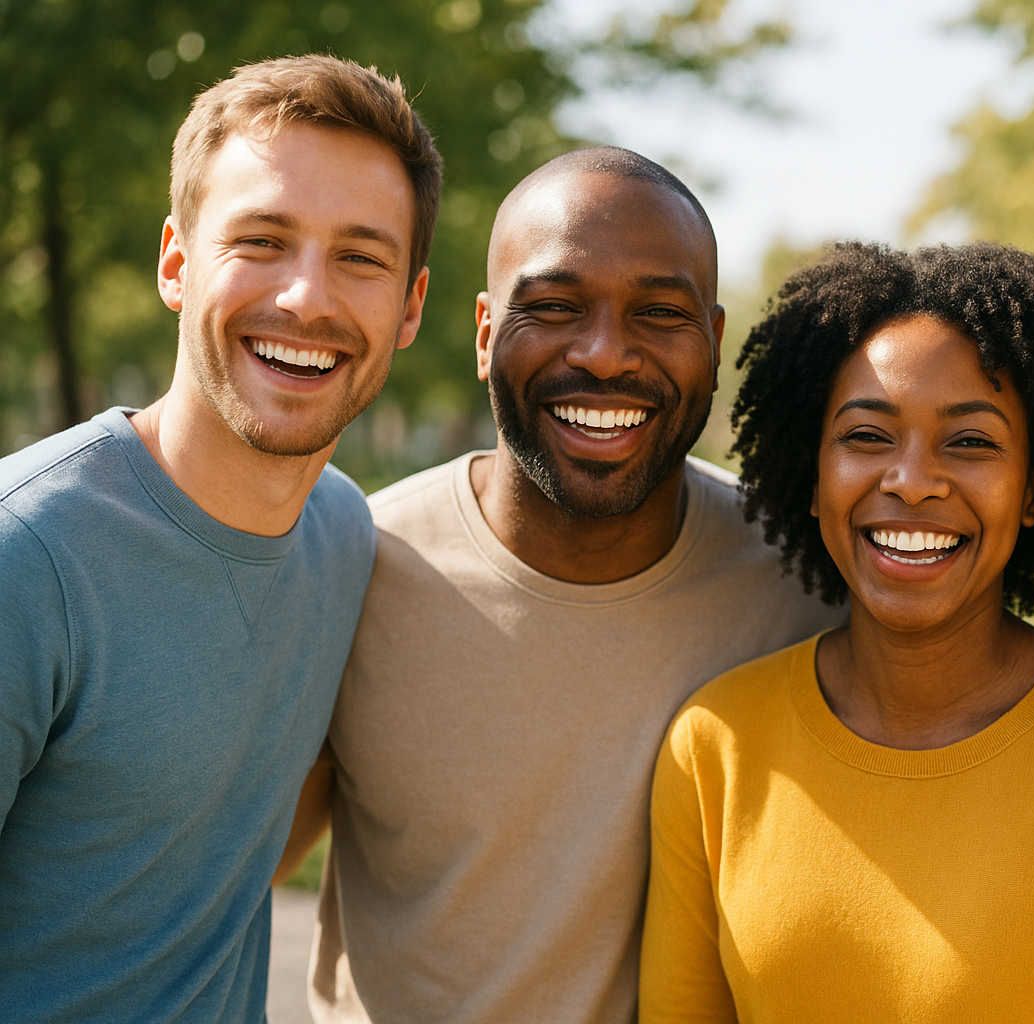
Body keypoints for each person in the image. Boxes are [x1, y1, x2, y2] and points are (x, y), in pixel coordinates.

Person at [280, 147, 842, 1024]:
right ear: (482, 333)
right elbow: (228, 870)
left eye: (659, 312)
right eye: (552, 307)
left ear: (715, 343)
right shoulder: (353, 566)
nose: (607, 354)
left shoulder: (806, 592)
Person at [639, 242, 1034, 1023]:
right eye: (867, 437)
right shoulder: (714, 748)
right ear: (813, 478)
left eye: (971, 442)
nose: (911, 480)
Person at [0, 55, 439, 1022]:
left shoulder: (341, 537)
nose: (305, 298)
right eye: (263, 240)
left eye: (362, 257)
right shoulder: (25, 556)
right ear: (176, 260)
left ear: (409, 307)